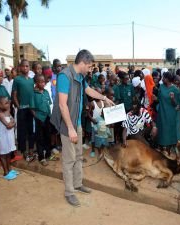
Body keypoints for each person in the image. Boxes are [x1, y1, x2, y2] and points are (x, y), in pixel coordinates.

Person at [50, 49, 114, 207]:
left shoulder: (81, 76)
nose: (90, 69)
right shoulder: (65, 76)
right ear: (83, 63)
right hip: (67, 125)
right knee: (69, 159)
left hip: (76, 123)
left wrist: (104, 97)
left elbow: (88, 90)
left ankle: (78, 184)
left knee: (78, 156)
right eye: (90, 66)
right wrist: (71, 129)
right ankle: (69, 192)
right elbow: (62, 105)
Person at [12, 59, 35, 162]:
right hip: (22, 109)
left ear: (29, 68)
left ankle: (31, 149)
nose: (25, 68)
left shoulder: (31, 80)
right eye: (23, 66)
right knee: (22, 131)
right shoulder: (17, 79)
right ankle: (23, 150)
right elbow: (14, 95)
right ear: (20, 67)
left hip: (31, 109)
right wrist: (18, 106)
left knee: (31, 130)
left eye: (27, 66)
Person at [156, 71, 180, 156]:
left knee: (169, 131)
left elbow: (178, 104)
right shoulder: (161, 87)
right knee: (162, 130)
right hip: (162, 112)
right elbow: (159, 98)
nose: (162, 79)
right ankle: (161, 148)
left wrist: (173, 99)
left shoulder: (175, 90)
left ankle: (168, 150)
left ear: (167, 79)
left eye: (163, 78)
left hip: (170, 114)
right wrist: (155, 97)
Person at [31, 74, 52, 166]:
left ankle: (48, 154)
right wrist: (36, 117)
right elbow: (32, 108)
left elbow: (49, 104)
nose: (42, 83)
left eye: (43, 82)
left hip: (48, 117)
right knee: (40, 138)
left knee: (48, 136)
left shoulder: (46, 92)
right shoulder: (33, 94)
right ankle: (41, 157)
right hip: (39, 118)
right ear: (36, 83)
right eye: (40, 82)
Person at [0, 96, 17, 180]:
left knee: (8, 153)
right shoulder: (0, 115)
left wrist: (12, 123)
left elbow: (13, 122)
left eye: (8, 103)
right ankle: (5, 172)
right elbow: (9, 125)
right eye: (6, 103)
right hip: (3, 137)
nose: (8, 105)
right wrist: (12, 123)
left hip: (9, 136)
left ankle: (9, 169)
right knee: (3, 154)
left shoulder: (7, 113)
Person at [88, 88, 104, 158]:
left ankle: (100, 150)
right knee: (93, 139)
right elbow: (88, 113)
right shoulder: (92, 103)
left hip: (101, 124)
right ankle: (93, 150)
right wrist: (92, 119)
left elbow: (103, 112)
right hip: (94, 124)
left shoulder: (103, 102)